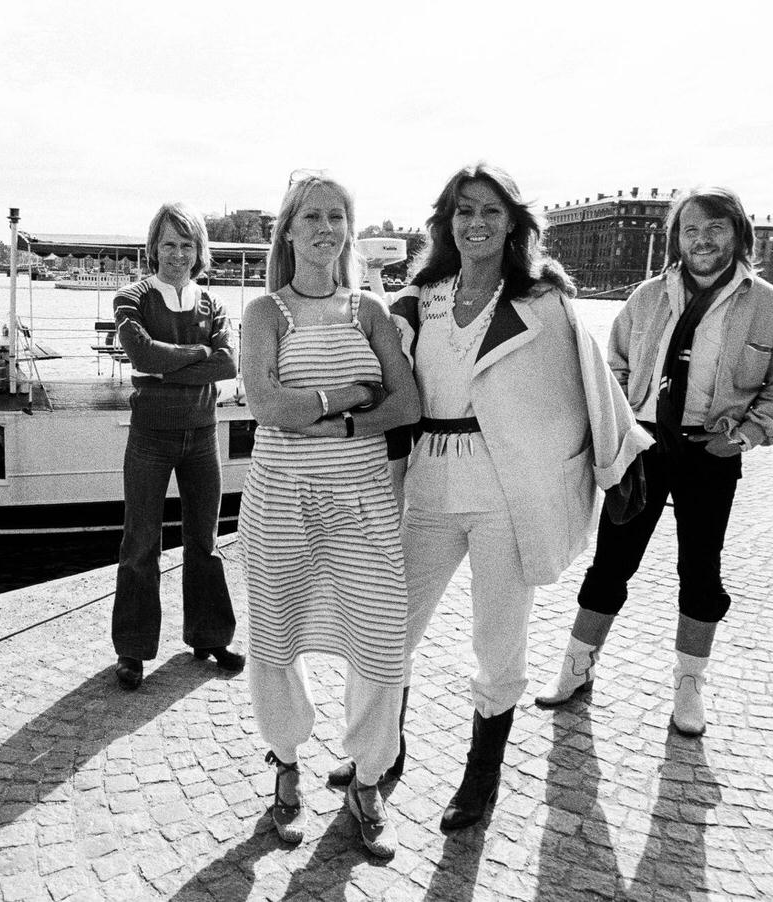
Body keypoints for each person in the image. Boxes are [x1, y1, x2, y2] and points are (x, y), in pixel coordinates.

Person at [345, 162, 651, 833]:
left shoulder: (543, 303)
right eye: (463, 211)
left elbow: (594, 386)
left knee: (498, 640)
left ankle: (481, 775)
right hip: (428, 483)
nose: (476, 223)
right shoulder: (422, 297)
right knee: (391, 629)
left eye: (489, 210)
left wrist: (619, 459)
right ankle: (381, 754)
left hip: (505, 492)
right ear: (446, 222)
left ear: (512, 221)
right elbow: (382, 370)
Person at [536, 186, 773, 736]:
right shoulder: (646, 298)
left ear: (738, 234)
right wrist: (619, 429)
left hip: (711, 451)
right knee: (612, 563)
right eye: (690, 229)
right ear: (676, 237)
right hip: (644, 444)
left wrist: (747, 436)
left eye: (715, 229)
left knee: (700, 572)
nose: (702, 240)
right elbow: (613, 369)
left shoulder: (771, 308)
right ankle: (577, 668)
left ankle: (689, 688)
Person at [238, 173, 420, 859]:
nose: (325, 228)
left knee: (380, 643)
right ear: (287, 230)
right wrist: (349, 393)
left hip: (363, 503)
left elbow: (404, 406)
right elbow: (268, 407)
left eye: (337, 216)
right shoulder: (265, 313)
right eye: (311, 216)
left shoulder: (368, 310)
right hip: (281, 504)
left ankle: (367, 780)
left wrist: (333, 426)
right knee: (277, 641)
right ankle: (286, 765)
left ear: (349, 227)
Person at [110, 202, 242, 691]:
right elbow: (141, 353)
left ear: (198, 251)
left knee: (203, 542)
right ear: (154, 247)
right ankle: (133, 650)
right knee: (140, 545)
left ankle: (209, 636)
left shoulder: (214, 304)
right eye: (169, 243)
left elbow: (228, 365)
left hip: (201, 436)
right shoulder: (131, 297)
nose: (178, 254)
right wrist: (200, 352)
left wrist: (172, 366)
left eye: (188, 245)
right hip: (150, 438)